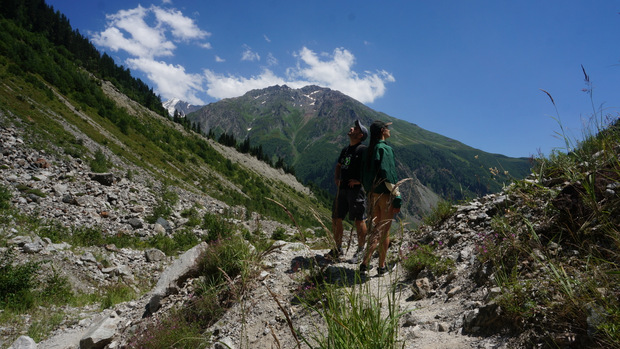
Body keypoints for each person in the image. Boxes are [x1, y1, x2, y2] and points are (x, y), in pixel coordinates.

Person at [360, 120, 402, 275]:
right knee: (385, 230)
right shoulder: (385, 149)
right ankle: (382, 266)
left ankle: (365, 262)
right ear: (383, 131)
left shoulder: (368, 150)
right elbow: (388, 174)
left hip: (372, 194)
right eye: (388, 128)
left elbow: (363, 174)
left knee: (375, 228)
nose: (389, 131)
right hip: (385, 194)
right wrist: (397, 195)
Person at [328, 119, 369, 262]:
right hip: (342, 189)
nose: (352, 128)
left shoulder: (363, 150)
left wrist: (360, 181)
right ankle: (337, 247)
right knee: (336, 217)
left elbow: (370, 169)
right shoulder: (345, 150)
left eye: (356, 128)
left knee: (359, 219)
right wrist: (336, 178)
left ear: (360, 136)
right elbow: (339, 165)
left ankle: (361, 249)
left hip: (355, 190)